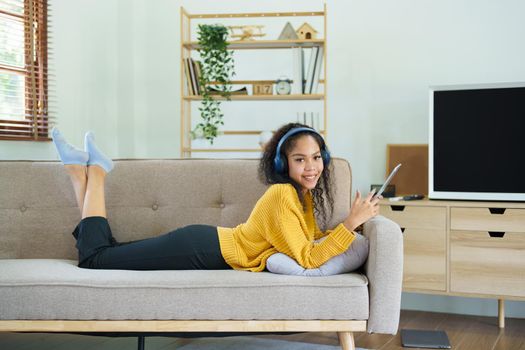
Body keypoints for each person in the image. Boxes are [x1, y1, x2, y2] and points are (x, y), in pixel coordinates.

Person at [51, 123, 380, 273]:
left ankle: (78, 175)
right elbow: (308, 258)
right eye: (300, 159)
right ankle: (97, 174)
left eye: (316, 157)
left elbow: (304, 243)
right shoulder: (282, 194)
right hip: (202, 250)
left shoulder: (301, 196)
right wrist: (350, 224)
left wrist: (348, 226)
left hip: (207, 245)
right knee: (95, 260)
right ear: (284, 163)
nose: (311, 167)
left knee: (107, 253)